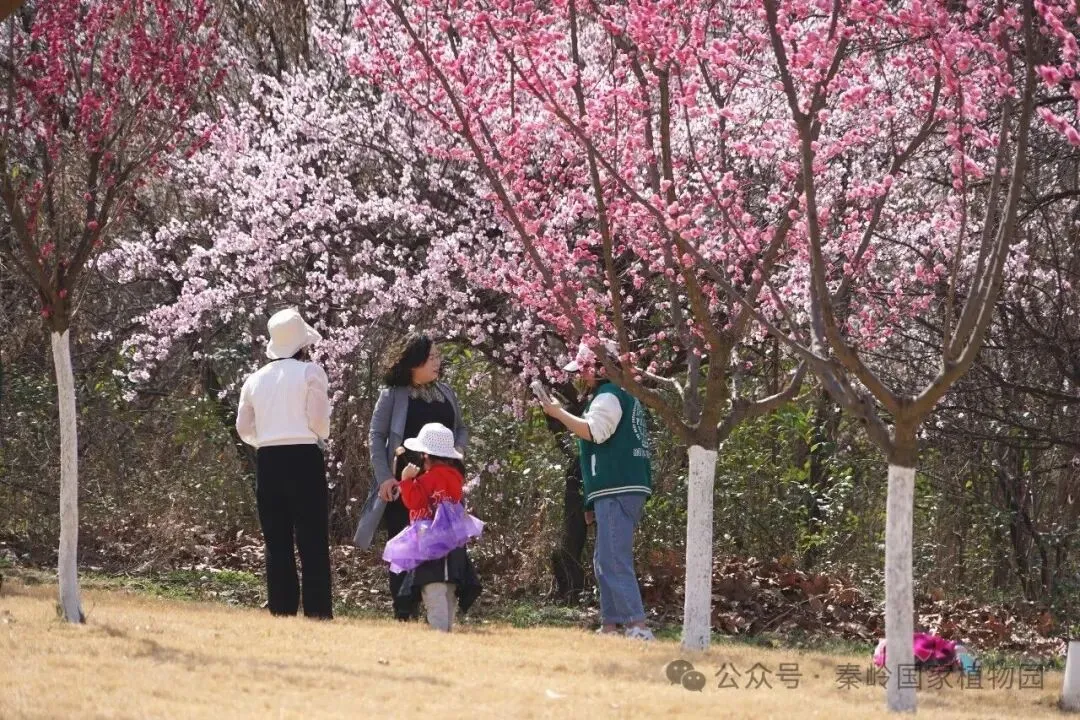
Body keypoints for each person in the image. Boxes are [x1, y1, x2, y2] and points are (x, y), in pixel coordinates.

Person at [540, 340, 655, 640]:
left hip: (618, 486)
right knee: (605, 558)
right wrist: (592, 500)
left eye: (585, 368)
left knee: (613, 557)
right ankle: (611, 624)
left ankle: (637, 625)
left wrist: (559, 414)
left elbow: (595, 432)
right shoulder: (623, 395)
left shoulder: (608, 396)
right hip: (617, 487)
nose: (582, 375)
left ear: (601, 368)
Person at [353, 334, 468, 621]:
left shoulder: (446, 392)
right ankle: (404, 611)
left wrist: (458, 452)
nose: (437, 362)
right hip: (405, 483)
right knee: (405, 546)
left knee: (441, 547)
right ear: (414, 362)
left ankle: (438, 612)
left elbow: (461, 429)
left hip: (442, 487)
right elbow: (376, 436)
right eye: (431, 358)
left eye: (438, 357)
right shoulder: (393, 394)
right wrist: (385, 478)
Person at [236, 308, 333, 619]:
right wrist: (316, 435)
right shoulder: (310, 372)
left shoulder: (254, 380)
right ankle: (318, 611)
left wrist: (265, 440)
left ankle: (281, 609)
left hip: (268, 459)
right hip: (304, 456)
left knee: (276, 538)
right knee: (312, 537)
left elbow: (243, 427)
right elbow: (319, 420)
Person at [383, 422, 483, 631]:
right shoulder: (455, 477)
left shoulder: (427, 479)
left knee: (433, 591)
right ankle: (446, 631)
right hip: (453, 546)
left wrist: (406, 480)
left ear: (426, 455)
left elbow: (414, 502)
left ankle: (439, 635)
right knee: (448, 593)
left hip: (431, 546)